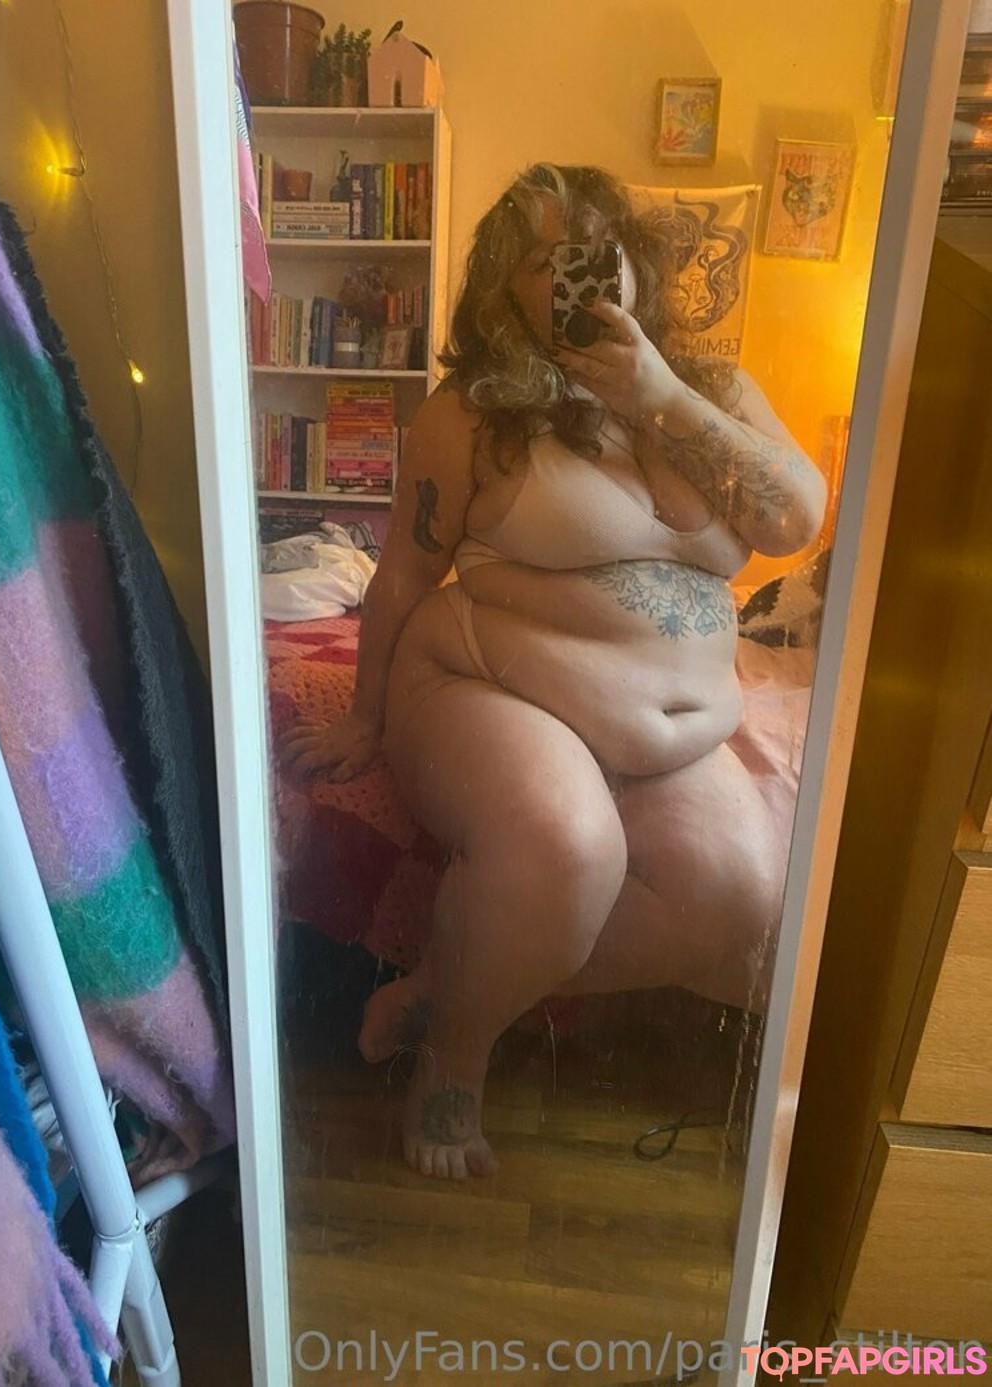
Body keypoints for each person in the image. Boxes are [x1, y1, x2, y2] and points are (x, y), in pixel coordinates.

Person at [281, 164, 825, 1181]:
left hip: (667, 736)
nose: (582, 264)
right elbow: (404, 570)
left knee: (740, 889)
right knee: (569, 849)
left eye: (597, 239)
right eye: (545, 257)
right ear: (506, 291)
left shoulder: (712, 390)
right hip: (486, 680)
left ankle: (443, 986)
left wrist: (659, 396)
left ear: (633, 255)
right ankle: (454, 1061)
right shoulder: (471, 416)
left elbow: (794, 518)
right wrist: (365, 713)